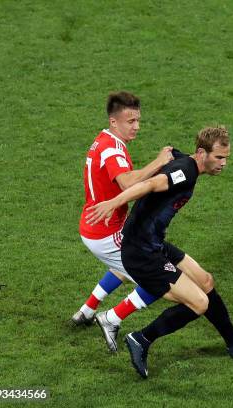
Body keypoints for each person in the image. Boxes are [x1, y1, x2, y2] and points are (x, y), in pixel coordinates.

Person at [85, 126, 233, 379]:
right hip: (141, 252)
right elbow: (152, 183)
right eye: (219, 157)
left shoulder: (190, 163)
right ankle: (141, 338)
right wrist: (114, 202)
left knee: (205, 280)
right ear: (202, 153)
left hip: (154, 243)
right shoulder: (185, 171)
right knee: (199, 302)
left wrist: (168, 152)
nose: (223, 163)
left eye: (226, 158)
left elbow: (173, 155)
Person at [73, 91, 174, 353]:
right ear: (114, 121)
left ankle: (87, 310)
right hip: (105, 232)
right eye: (131, 121)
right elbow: (127, 182)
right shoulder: (111, 149)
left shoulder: (104, 140)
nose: (137, 126)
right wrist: (159, 162)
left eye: (138, 120)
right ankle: (111, 319)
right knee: (160, 281)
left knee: (126, 263)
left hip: (99, 224)